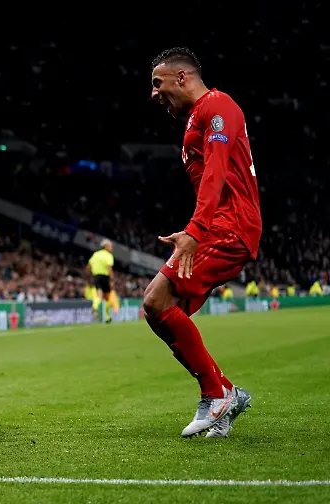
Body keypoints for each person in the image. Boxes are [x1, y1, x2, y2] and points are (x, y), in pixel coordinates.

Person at [145, 47, 261, 438]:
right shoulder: (197, 116)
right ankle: (225, 393)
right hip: (218, 225)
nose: (154, 94)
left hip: (230, 227)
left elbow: (214, 173)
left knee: (155, 300)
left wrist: (195, 230)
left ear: (183, 78)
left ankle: (217, 393)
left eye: (158, 84)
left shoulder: (219, 106)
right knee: (158, 310)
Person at [86, 240, 118, 323]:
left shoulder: (95, 254)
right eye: (110, 246)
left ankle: (95, 306)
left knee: (99, 295)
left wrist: (91, 274)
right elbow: (109, 267)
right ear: (106, 247)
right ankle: (107, 317)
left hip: (96, 276)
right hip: (105, 277)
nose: (112, 248)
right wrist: (112, 278)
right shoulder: (108, 255)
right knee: (108, 297)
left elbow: (88, 266)